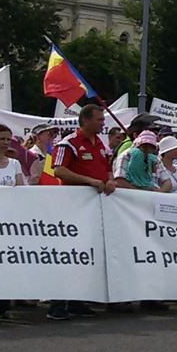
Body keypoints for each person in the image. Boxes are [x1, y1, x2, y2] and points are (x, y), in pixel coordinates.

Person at [46, 104, 116, 320]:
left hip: (94, 208)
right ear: (85, 120)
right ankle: (57, 303)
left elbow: (107, 168)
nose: (103, 123)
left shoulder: (101, 144)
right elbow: (59, 170)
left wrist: (110, 180)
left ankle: (77, 300)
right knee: (67, 254)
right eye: (99, 119)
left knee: (86, 254)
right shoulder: (68, 144)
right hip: (71, 207)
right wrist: (90, 181)